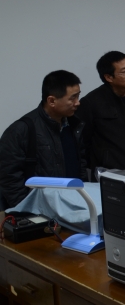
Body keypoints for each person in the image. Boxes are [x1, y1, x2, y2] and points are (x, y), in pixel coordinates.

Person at [0, 71, 87, 210]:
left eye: (78, 96)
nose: (78, 103)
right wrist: (26, 210)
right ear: (51, 101)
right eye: (72, 98)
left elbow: (81, 163)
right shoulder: (22, 129)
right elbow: (9, 177)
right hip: (38, 210)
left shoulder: (74, 125)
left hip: (73, 205)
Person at [77, 51, 125, 171]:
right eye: (124, 71)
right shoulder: (91, 102)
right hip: (109, 171)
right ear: (108, 77)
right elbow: (84, 142)